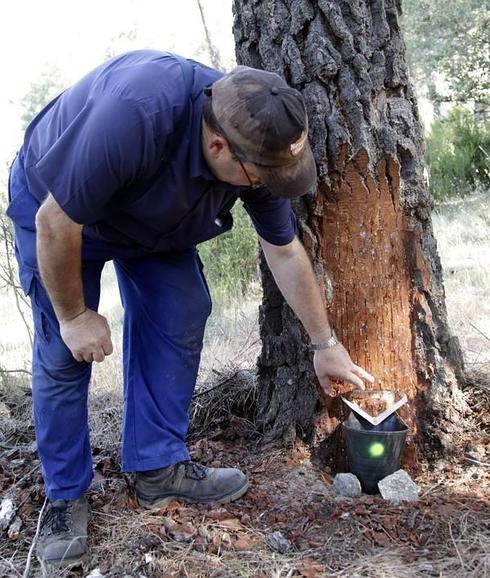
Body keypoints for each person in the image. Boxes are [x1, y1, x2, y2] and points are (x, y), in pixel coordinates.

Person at [7, 50, 374, 566]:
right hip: (63, 215)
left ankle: (157, 467)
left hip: (152, 219)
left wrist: (324, 343)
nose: (267, 186)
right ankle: (65, 498)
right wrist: (72, 317)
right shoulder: (135, 112)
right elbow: (55, 221)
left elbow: (284, 249)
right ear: (218, 145)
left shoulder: (258, 141)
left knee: (181, 307)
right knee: (64, 353)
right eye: (260, 177)